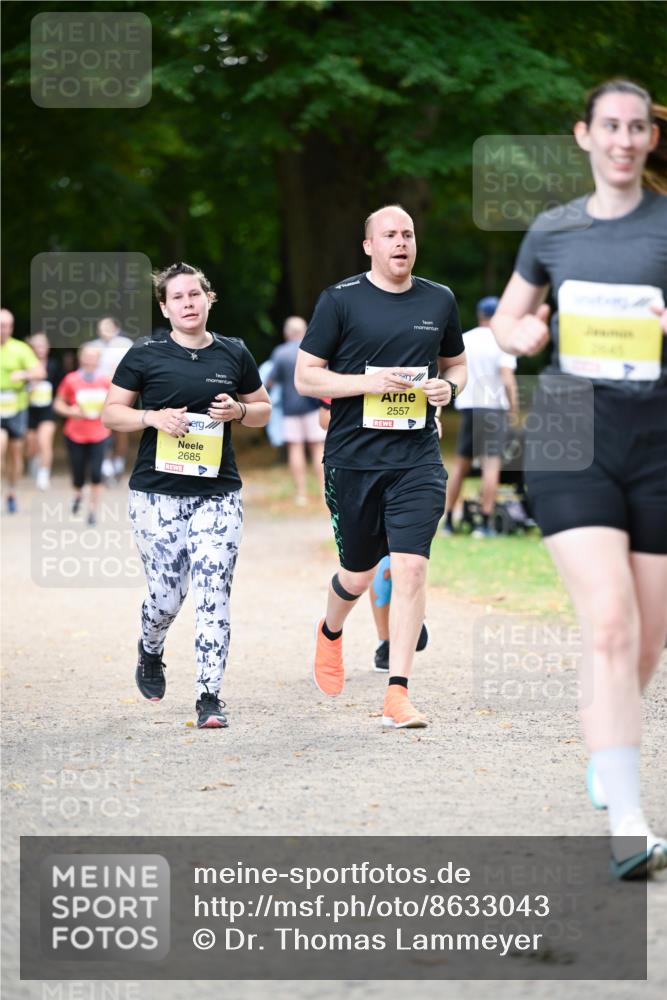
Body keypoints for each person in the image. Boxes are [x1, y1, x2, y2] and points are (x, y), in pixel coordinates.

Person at [491, 81, 667, 878]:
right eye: (610, 126)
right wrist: (520, 330)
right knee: (607, 621)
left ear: (649, 139)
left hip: (658, 440)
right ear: (584, 135)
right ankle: (628, 823)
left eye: (637, 127)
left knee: (644, 639)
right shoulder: (552, 229)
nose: (623, 139)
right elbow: (507, 323)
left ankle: (608, 738)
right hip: (569, 432)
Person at [295, 204, 466, 729]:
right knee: (360, 570)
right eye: (389, 234)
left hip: (416, 457)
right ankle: (330, 629)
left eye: (408, 234)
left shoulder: (439, 300)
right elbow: (307, 378)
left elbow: (456, 363)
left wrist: (449, 388)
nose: (401, 242)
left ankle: (397, 692)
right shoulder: (340, 301)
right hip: (353, 461)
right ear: (368, 245)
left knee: (411, 565)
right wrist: (367, 382)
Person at [101, 262, 271, 730]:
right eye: (178, 297)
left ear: (208, 298)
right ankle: (150, 648)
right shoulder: (146, 353)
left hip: (217, 494)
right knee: (167, 595)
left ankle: (209, 695)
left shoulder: (234, 352)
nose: (189, 303)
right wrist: (151, 418)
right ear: (165, 307)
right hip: (156, 495)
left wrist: (238, 409)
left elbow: (262, 410)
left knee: (213, 589)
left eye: (195, 294)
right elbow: (112, 415)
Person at [442, 296, 518, 538]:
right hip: (493, 408)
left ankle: (449, 521)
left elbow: (448, 366)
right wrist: (514, 407)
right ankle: (484, 523)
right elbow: (507, 377)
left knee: (461, 465)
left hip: (468, 407)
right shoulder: (502, 341)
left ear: (479, 315)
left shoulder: (466, 339)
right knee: (491, 464)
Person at [266, 316, 326, 505]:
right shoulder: (313, 350)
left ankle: (301, 494)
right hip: (313, 406)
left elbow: (269, 381)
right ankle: (325, 491)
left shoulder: (280, 353)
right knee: (318, 448)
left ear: (286, 333)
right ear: (305, 331)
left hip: (289, 409)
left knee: (295, 449)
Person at [54, 344, 111, 525]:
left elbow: (116, 405)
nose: (89, 361)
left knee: (96, 472)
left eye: (93, 358)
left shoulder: (106, 381)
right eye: (86, 357)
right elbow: (58, 404)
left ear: (98, 360)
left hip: (100, 433)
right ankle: (78, 494)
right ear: (80, 359)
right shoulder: (71, 380)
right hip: (75, 434)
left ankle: (93, 511)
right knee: (78, 473)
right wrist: (72, 412)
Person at [0, 308, 46, 512]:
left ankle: (11, 489)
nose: (4, 329)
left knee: (15, 454)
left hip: (16, 407)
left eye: (7, 326)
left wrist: (24, 375)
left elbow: (40, 371)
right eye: (1, 325)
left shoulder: (20, 349)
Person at [89, 316, 134, 480]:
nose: (104, 331)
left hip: (122, 391)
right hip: (99, 393)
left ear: (115, 328)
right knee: (102, 428)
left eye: (107, 327)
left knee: (121, 428)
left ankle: (119, 459)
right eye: (101, 327)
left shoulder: (125, 344)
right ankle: (105, 462)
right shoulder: (93, 346)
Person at [26, 332, 63, 491]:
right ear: (31, 348)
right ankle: (34, 460)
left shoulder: (53, 365)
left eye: (43, 345)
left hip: (47, 410)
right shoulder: (25, 364)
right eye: (37, 346)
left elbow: (60, 388)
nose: (41, 349)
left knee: (45, 442)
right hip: (28, 410)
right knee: (31, 446)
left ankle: (43, 475)